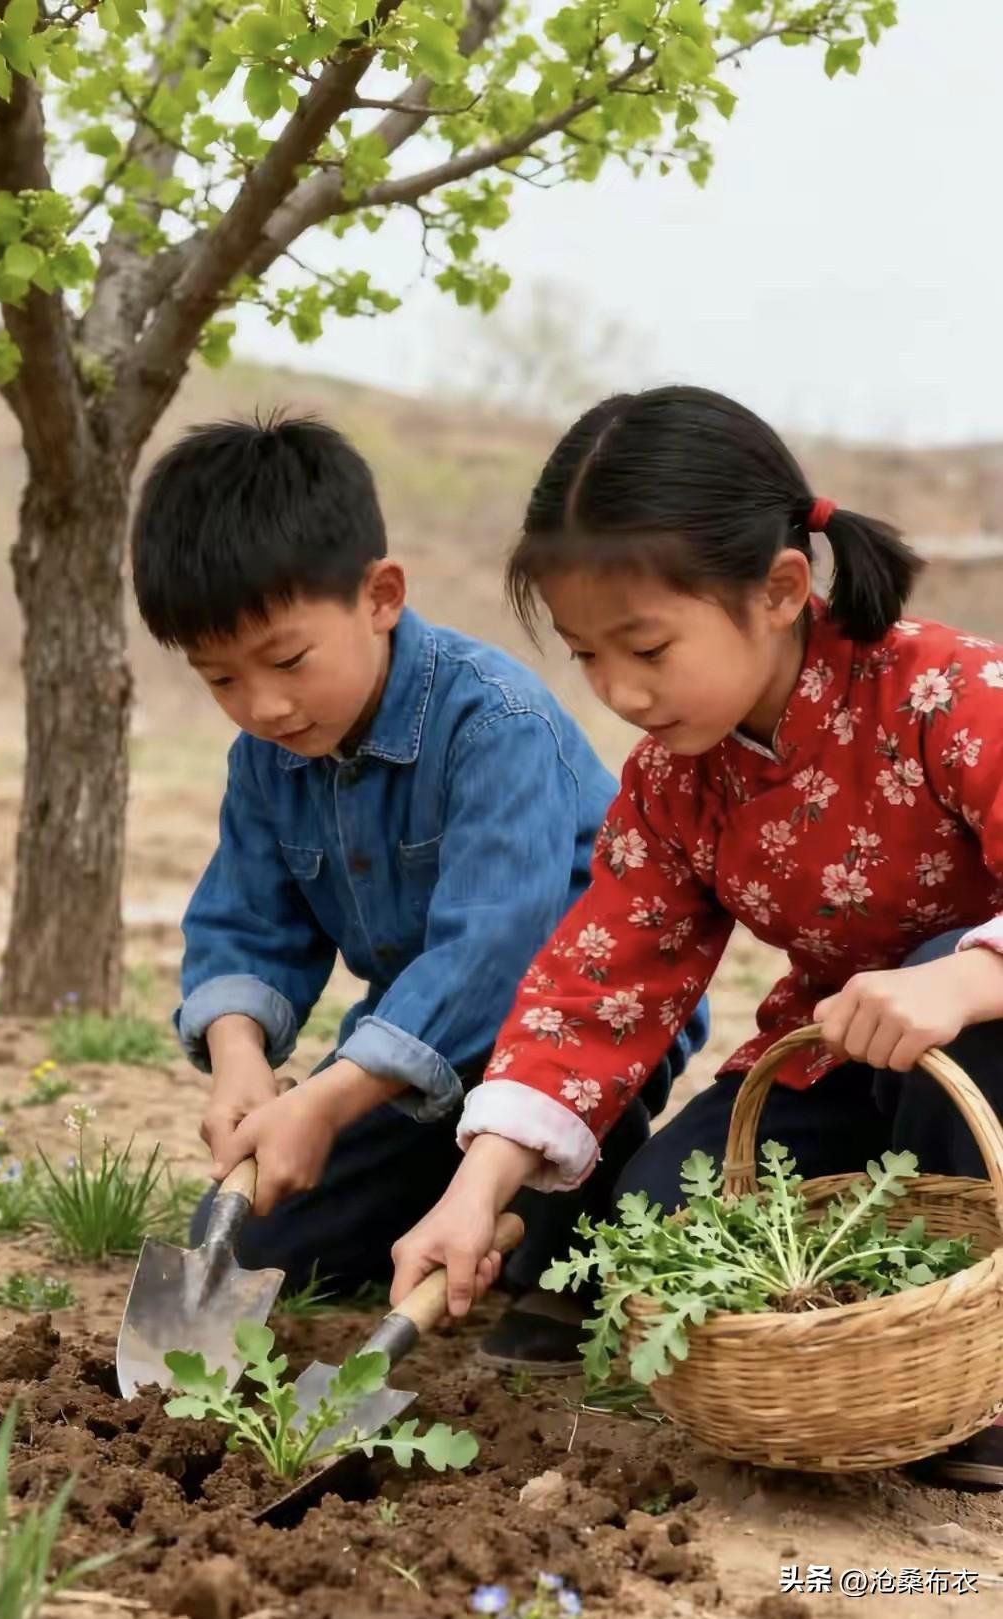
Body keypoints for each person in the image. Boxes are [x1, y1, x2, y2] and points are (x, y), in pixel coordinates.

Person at [390, 384, 1003, 1485]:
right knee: (655, 1212)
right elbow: (599, 981)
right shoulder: (678, 780)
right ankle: (865, 1319)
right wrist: (475, 1192)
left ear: (777, 590)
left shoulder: (952, 693)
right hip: (846, 1060)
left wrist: (964, 981)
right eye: (586, 654)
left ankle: (983, 1369)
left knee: (951, 1031)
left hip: (984, 1060)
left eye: (646, 645)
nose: (620, 689)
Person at [129, 411, 708, 1368]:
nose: (263, 705)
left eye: (285, 661)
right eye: (221, 678)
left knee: (558, 1238)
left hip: (574, 1042)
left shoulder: (495, 724)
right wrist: (241, 1063)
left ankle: (563, 1242)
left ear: (381, 595)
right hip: (412, 1058)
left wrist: (327, 1100)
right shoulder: (266, 759)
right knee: (258, 1230)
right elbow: (244, 919)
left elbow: (491, 954)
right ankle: (454, 1195)